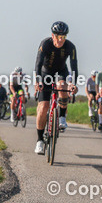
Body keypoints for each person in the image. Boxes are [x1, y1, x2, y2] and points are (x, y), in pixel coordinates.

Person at [34, 21, 78, 155]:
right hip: (45, 73)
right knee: (43, 108)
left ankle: (62, 117)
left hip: (61, 72)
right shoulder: (45, 44)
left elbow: (74, 67)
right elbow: (37, 64)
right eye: (58, 36)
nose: (60, 40)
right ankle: (40, 140)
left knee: (62, 85)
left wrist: (73, 83)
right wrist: (38, 81)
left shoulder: (70, 47)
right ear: (52, 36)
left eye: (63, 37)